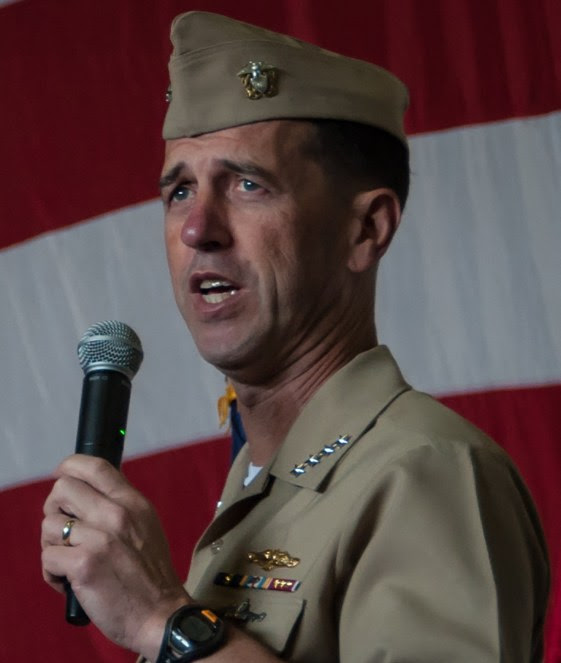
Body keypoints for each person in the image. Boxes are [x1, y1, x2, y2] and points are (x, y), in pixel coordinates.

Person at [40, 11, 549, 662]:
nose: (198, 228)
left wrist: (163, 619)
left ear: (364, 230)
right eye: (179, 190)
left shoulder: (423, 470)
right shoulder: (262, 489)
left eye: (248, 184)